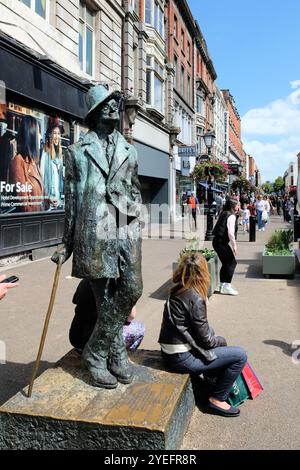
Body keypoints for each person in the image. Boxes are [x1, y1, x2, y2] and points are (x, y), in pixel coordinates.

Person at [51, 84, 143, 389]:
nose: (113, 107)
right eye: (106, 104)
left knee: (132, 287)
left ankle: (95, 352)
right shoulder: (77, 152)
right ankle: (114, 356)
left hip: (124, 225)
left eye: (114, 103)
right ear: (94, 112)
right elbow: (72, 199)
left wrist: (135, 211)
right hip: (93, 228)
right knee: (105, 301)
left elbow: (135, 187)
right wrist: (66, 243)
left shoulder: (130, 150)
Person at [158, 252, 247, 417]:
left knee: (216, 341)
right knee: (240, 355)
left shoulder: (177, 290)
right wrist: (221, 340)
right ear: (204, 273)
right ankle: (217, 399)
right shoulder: (195, 298)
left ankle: (212, 383)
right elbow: (207, 342)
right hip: (182, 358)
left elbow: (193, 329)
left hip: (169, 353)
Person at [69, 279, 145, 353]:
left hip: (76, 338)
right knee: (139, 329)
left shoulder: (86, 280)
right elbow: (131, 316)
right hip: (97, 342)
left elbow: (75, 301)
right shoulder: (118, 286)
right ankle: (116, 355)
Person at [9, 115, 44, 212]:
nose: (40, 137)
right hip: (32, 223)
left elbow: (40, 191)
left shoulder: (34, 161)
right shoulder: (18, 161)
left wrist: (48, 200)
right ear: (31, 134)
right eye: (38, 132)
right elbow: (23, 204)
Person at [212, 198, 239, 296]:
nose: (238, 206)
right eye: (237, 205)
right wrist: (234, 246)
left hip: (217, 241)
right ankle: (226, 286)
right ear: (233, 206)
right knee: (232, 262)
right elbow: (230, 233)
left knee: (226, 263)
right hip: (221, 242)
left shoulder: (224, 213)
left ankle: (223, 285)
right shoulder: (231, 216)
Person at [40, 117, 64, 210]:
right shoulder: (45, 152)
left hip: (57, 198)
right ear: (50, 135)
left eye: (58, 134)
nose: (57, 136)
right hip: (48, 198)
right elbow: (42, 176)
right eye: (54, 133)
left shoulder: (60, 155)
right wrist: (47, 197)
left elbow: (59, 178)